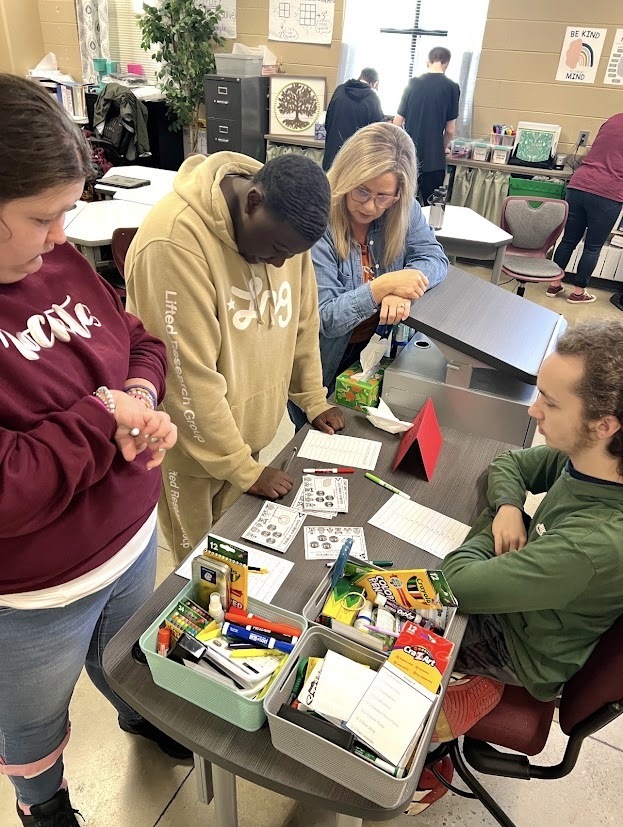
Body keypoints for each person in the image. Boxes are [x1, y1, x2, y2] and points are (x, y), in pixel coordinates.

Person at [0, 74, 182, 827]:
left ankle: (138, 714)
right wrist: (103, 415)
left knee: (132, 658)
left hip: (131, 541)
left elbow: (138, 338)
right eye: (43, 217)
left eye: (68, 213)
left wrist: (138, 395)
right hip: (35, 595)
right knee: (31, 721)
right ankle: (44, 804)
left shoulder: (59, 261)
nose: (59, 238)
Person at [126, 153, 345, 564]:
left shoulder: (287, 229)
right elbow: (186, 378)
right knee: (201, 568)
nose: (281, 263)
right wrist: (244, 469)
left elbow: (302, 323)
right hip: (188, 451)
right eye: (278, 249)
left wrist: (313, 397)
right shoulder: (174, 242)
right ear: (252, 202)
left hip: (246, 439)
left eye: (292, 254)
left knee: (240, 561)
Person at [442, 320, 623, 703]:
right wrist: (509, 506)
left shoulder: (592, 544)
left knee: (374, 615)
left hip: (518, 649)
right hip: (527, 599)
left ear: (603, 425)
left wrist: (501, 520)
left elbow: (451, 586)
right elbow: (509, 463)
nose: (533, 411)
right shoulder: (589, 460)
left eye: (550, 403)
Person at [288, 123, 448, 431]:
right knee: (316, 440)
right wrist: (382, 286)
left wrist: (403, 287)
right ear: (347, 175)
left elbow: (435, 259)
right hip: (321, 360)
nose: (370, 206)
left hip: (376, 349)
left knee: (369, 434)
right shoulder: (317, 216)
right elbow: (326, 318)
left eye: (383, 196)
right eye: (362, 190)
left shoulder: (403, 208)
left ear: (399, 193)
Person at [547, 114, 623, 304]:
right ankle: (578, 292)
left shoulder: (614, 119)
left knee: (568, 240)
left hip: (579, 184)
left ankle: (554, 284)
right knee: (593, 247)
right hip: (608, 192)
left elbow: (595, 150)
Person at [394, 47, 460, 205]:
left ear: (427, 62)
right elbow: (450, 130)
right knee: (433, 210)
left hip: (409, 159)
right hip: (434, 162)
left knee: (403, 209)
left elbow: (397, 123)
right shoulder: (452, 87)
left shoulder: (413, 83)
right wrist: (442, 147)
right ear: (447, 64)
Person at [322, 67, 385, 171]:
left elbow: (328, 120)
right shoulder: (373, 99)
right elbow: (379, 135)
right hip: (354, 161)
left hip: (332, 156)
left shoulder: (340, 90)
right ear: (375, 83)